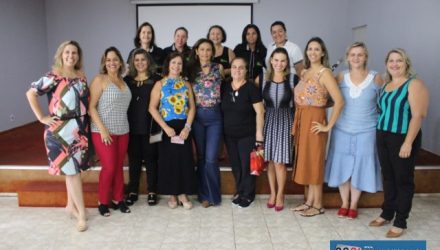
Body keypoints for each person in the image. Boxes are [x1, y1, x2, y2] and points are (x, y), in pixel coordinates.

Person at [26, 40, 89, 232]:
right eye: (67, 52)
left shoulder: (81, 76)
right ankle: (82, 215)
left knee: (73, 171)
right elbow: (30, 93)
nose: (71, 56)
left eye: (75, 53)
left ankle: (71, 206)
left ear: (78, 56)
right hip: (59, 131)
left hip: (79, 128)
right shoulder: (53, 77)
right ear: (61, 55)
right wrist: (41, 117)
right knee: (72, 172)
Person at [369, 48, 429, 238]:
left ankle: (400, 221)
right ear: (387, 64)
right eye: (391, 61)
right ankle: (387, 212)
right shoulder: (386, 85)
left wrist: (408, 143)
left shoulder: (414, 84)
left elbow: (418, 116)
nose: (395, 64)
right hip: (383, 135)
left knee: (403, 179)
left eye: (399, 61)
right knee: (388, 177)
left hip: (402, 137)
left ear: (406, 64)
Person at [325, 42, 383, 219]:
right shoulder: (341, 77)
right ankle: (344, 203)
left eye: (360, 54)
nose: (356, 58)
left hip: (367, 130)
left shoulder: (376, 78)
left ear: (366, 57)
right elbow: (327, 97)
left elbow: (385, 103)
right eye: (353, 54)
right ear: (347, 57)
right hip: (342, 129)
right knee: (342, 166)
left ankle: (354, 204)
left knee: (360, 167)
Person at [291, 37, 344, 216]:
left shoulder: (325, 73)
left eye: (316, 49)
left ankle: (318, 204)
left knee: (315, 161)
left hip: (315, 120)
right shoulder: (304, 72)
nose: (312, 52)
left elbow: (339, 101)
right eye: (310, 49)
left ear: (322, 53)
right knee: (306, 159)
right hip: (302, 118)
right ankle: (309, 201)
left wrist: (328, 125)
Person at [149, 52, 197, 209]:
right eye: (174, 63)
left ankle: (183, 193)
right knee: (168, 161)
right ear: (168, 65)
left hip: (183, 128)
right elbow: (152, 108)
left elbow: (192, 108)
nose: (176, 66)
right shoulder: (160, 84)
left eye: (180, 63)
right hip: (167, 128)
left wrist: (187, 127)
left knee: (184, 161)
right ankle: (172, 194)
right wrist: (165, 127)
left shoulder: (186, 84)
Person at [89, 47, 132, 216]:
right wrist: (103, 130)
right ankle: (103, 201)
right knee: (109, 166)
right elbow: (91, 108)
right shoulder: (100, 80)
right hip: (103, 131)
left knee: (119, 166)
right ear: (104, 63)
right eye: (108, 60)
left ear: (120, 62)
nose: (112, 63)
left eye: (115, 59)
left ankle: (118, 199)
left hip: (123, 130)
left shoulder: (123, 81)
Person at [221, 57, 265, 208]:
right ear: (230, 69)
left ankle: (248, 194)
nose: (237, 70)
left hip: (247, 134)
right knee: (236, 165)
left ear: (246, 71)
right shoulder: (225, 86)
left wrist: (259, 135)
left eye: (241, 67)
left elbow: (260, 112)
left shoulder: (251, 88)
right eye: (234, 67)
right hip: (229, 135)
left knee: (247, 165)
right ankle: (240, 191)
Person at [187, 38, 224, 207]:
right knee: (201, 158)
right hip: (197, 117)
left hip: (215, 117)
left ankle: (213, 195)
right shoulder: (190, 70)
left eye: (208, 49)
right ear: (196, 51)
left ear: (213, 51)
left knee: (211, 159)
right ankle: (203, 196)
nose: (205, 53)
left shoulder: (219, 68)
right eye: (202, 49)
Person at [124, 48, 162, 206]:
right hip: (131, 127)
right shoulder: (126, 80)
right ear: (133, 62)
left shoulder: (157, 79)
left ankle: (152, 191)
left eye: (143, 59)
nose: (140, 63)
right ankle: (133, 190)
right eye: (137, 60)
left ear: (149, 61)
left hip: (151, 126)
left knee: (151, 159)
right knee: (134, 159)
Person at [262, 48, 294, 212]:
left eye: (282, 60)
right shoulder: (263, 79)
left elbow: (297, 104)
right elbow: (259, 105)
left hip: (285, 121)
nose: (279, 64)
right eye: (276, 60)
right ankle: (272, 193)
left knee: (280, 162)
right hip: (268, 121)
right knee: (271, 162)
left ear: (287, 62)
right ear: (271, 61)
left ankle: (281, 194)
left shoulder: (292, 79)